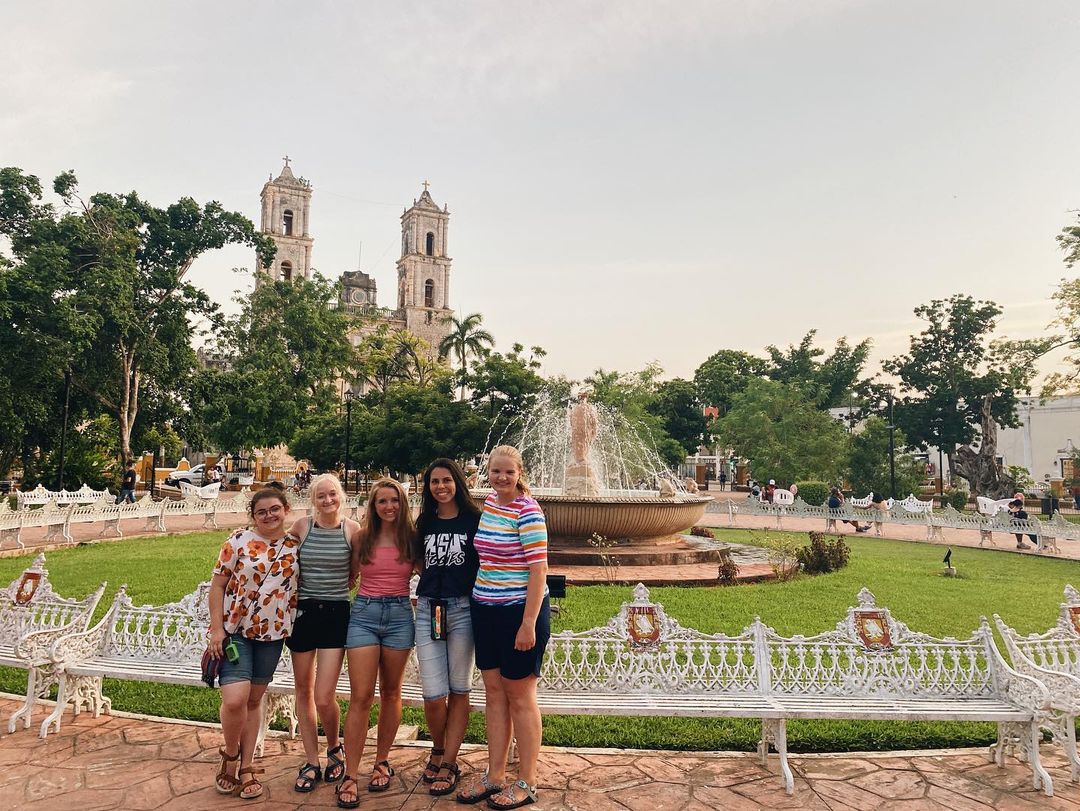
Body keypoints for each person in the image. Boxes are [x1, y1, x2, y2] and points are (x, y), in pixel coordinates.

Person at [457, 445, 549, 810]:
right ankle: (495, 775)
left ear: (519, 473)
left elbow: (538, 570)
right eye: (496, 471)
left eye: (508, 472)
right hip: (486, 609)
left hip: (518, 614)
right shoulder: (491, 505)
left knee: (520, 696)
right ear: (488, 473)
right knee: (494, 694)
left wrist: (528, 624)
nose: (501, 477)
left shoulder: (528, 511)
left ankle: (527, 780)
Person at [208, 487, 300, 800]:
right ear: (253, 516)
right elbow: (218, 586)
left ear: (285, 510)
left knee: (253, 700)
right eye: (261, 511)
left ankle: (246, 766)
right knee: (235, 699)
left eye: (275, 509)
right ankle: (230, 754)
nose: (269, 516)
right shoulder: (238, 541)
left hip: (273, 636)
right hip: (236, 633)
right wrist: (216, 629)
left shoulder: (294, 546)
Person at [337, 478, 417, 808]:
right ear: (373, 505)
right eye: (382, 501)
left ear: (402, 503)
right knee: (361, 696)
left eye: (394, 500)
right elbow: (348, 577)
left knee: (392, 692)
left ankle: (382, 761)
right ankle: (350, 774)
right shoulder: (361, 537)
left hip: (400, 616)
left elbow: (431, 576)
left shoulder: (412, 538)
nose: (389, 506)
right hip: (365, 616)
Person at [286, 474, 360, 794]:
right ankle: (311, 760)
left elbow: (354, 572)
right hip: (303, 614)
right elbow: (279, 554)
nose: (327, 500)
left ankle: (334, 747)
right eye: (321, 496)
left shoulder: (351, 530)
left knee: (323, 695)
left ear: (340, 496)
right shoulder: (302, 527)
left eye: (332, 494)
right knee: (303, 691)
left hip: (335, 615)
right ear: (312, 499)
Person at [414, 459, 482, 797]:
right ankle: (438, 747)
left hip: (463, 608)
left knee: (459, 688)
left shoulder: (474, 520)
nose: (441, 487)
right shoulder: (425, 522)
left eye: (446, 480)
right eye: (434, 482)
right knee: (432, 693)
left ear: (457, 482)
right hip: (430, 608)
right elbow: (417, 560)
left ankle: (449, 760)